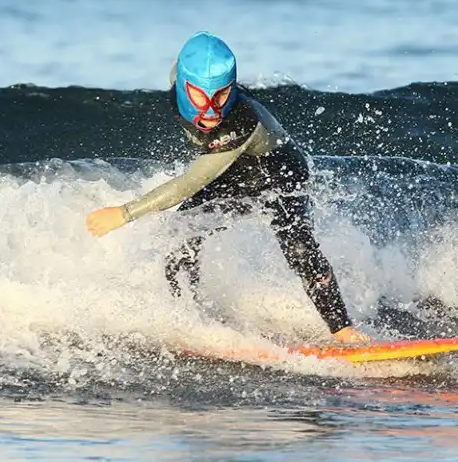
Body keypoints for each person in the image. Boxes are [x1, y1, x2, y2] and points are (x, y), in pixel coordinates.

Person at [86, 31, 371, 346]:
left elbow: (186, 185)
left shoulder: (239, 121)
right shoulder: (179, 80)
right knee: (183, 233)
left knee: (298, 247)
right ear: (182, 83)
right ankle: (188, 316)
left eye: (221, 96)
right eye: (201, 97)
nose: (211, 110)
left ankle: (342, 329)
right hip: (236, 169)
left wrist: (123, 213)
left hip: (282, 174)